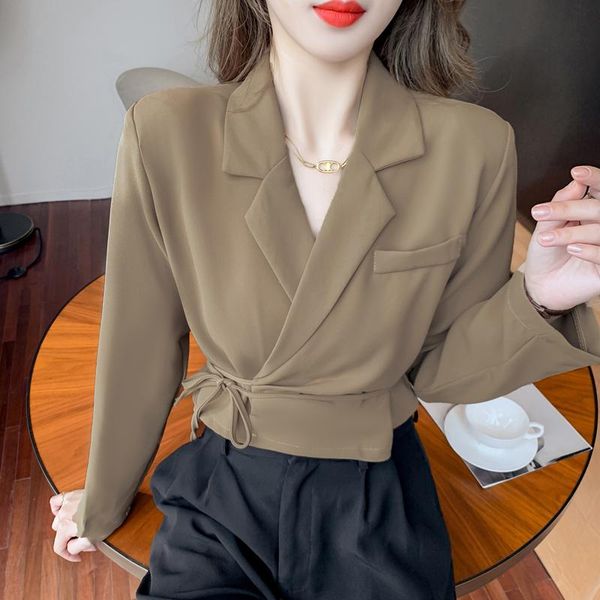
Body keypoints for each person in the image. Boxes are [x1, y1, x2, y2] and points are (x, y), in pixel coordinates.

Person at [49, 0, 600, 598]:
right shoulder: (165, 131)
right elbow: (140, 345)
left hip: (377, 490)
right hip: (224, 484)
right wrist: (103, 499)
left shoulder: (475, 146)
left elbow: (441, 370)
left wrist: (540, 296)